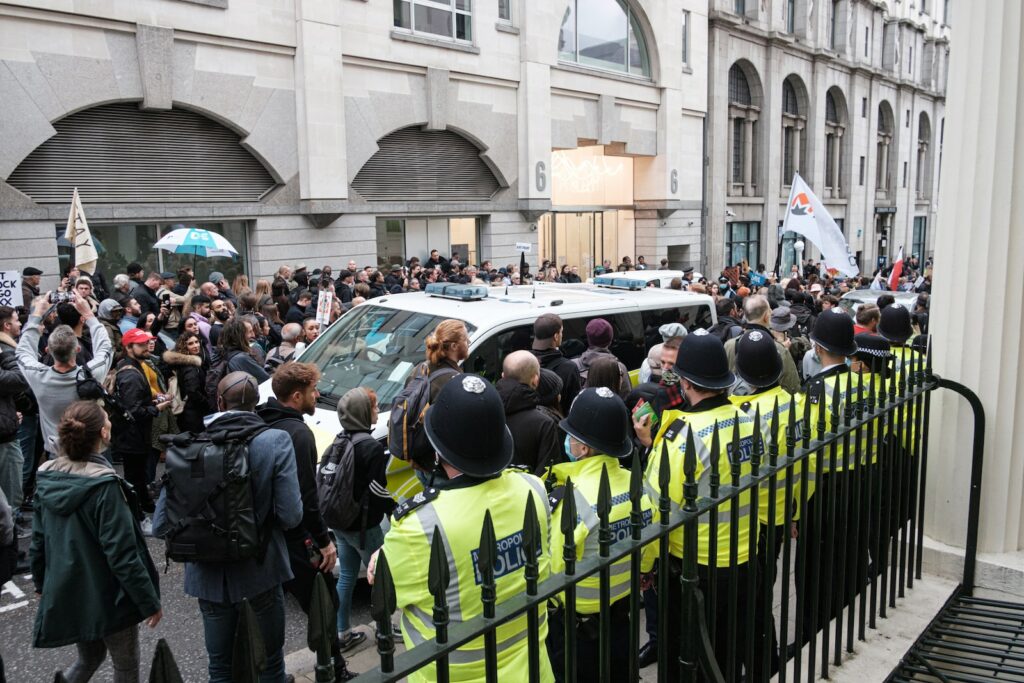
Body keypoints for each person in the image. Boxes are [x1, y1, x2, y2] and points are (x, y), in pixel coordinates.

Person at [369, 374, 553, 683]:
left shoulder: (420, 525)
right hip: (534, 669)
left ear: (438, 450)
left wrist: (383, 557)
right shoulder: (532, 488)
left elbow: (383, 598)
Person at [152, 372, 303, 683]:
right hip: (261, 569)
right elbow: (291, 516)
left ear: (219, 402)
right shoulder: (275, 441)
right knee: (271, 664)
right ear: (257, 403)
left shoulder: (189, 446)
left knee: (220, 668)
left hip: (209, 576)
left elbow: (160, 525)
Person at [636, 329, 758, 680]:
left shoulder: (680, 438)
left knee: (685, 655)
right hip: (744, 552)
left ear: (685, 382)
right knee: (726, 648)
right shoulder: (747, 419)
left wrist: (647, 565)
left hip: (692, 565)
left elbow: (657, 508)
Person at [31, 401, 162, 682]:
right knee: (125, 665)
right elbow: (123, 553)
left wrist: (41, 583)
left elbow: (39, 540)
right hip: (109, 593)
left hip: (69, 586)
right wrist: (148, 600)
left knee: (89, 657)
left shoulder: (46, 477)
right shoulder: (105, 486)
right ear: (103, 433)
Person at [256, 363, 357, 682]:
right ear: (297, 396)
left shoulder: (261, 421)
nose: (318, 395)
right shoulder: (298, 433)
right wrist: (322, 541)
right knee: (323, 603)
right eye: (314, 391)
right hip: (298, 538)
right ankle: (332, 669)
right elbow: (305, 495)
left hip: (266, 534)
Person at [546, 387, 654, 681]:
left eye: (572, 435)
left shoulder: (573, 498)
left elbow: (554, 570)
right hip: (621, 614)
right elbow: (650, 547)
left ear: (583, 449)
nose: (567, 440)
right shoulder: (638, 485)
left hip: (577, 629)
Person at [731, 329, 808, 678]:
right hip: (779, 513)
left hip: (749, 521)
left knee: (752, 598)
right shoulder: (798, 406)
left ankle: (762, 663)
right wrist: (794, 510)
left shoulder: (740, 413)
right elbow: (802, 469)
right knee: (763, 588)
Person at [796, 309, 863, 646]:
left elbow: (807, 449)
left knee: (813, 568)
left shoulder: (816, 390)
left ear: (818, 348)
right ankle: (844, 620)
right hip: (859, 478)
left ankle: (813, 633)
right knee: (846, 557)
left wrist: (795, 507)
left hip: (823, 487)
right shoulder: (862, 382)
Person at [326, 386, 395, 656]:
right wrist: (394, 508)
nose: (377, 412)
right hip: (364, 525)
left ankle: (341, 632)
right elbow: (378, 488)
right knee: (381, 577)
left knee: (345, 577)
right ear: (363, 413)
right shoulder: (369, 446)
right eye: (374, 408)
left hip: (340, 522)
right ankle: (384, 629)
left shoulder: (340, 438)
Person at [16, 294, 113, 460]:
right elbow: (105, 347)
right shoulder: (91, 373)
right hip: (92, 452)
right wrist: (89, 315)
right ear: (77, 350)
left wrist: (37, 314)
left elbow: (22, 352)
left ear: (47, 350)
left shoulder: (39, 377)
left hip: (56, 454)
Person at [111, 328, 172, 518]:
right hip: (132, 437)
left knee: (137, 477)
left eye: (147, 343)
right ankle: (136, 516)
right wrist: (156, 408)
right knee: (135, 478)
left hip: (135, 435)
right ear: (129, 347)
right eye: (142, 344)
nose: (147, 347)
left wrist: (152, 402)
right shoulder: (130, 375)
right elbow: (134, 411)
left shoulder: (135, 366)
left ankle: (144, 508)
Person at [495, 351, 562, 475]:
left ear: (503, 375)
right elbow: (547, 475)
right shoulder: (544, 424)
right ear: (535, 380)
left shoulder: (484, 411)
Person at [725, 295, 802, 394]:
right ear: (766, 317)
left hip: (738, 404)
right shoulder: (778, 348)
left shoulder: (729, 345)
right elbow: (792, 387)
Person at [531, 314, 582, 416]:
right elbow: (573, 407)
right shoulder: (569, 368)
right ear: (556, 336)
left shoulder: (522, 363)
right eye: (561, 331)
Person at [0, 327, 27, 516]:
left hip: (5, 431)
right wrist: (5, 355)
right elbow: (19, 378)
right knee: (9, 500)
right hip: (3, 439)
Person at [162, 331, 209, 435]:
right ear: (184, 346)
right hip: (193, 414)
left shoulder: (185, 363)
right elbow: (193, 392)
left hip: (190, 412)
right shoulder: (190, 367)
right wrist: (207, 403)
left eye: (197, 342)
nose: (196, 345)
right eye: (190, 343)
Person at [573, 318, 630, 397]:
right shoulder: (619, 367)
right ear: (610, 340)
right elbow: (626, 398)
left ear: (589, 339)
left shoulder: (573, 366)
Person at [215, 318, 270, 384]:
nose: (253, 335)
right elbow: (265, 379)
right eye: (250, 332)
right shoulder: (241, 359)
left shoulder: (226, 352)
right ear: (239, 336)